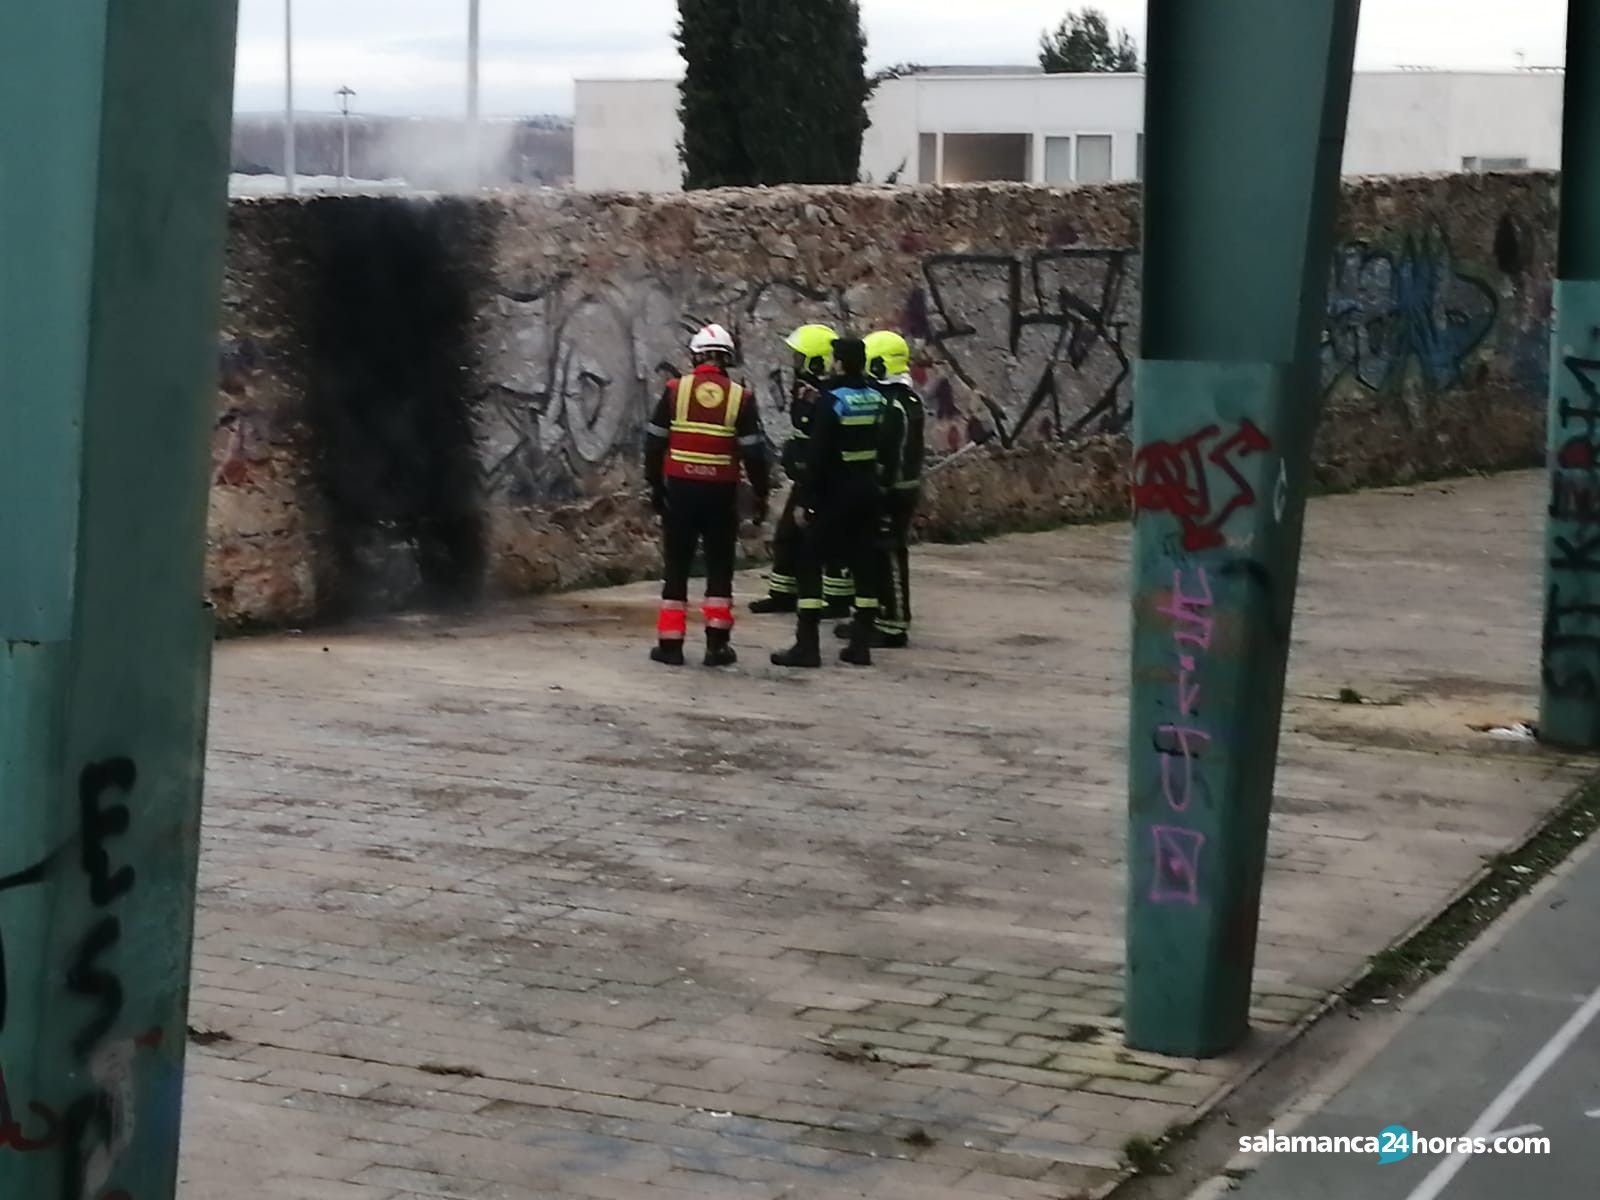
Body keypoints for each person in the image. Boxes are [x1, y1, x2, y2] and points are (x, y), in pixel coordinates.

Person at [644, 323, 770, 667]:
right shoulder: (739, 398)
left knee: (677, 566)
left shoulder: (674, 391)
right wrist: (760, 494)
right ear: (727, 359)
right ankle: (717, 646)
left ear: (695, 356)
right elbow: (754, 454)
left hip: (680, 492)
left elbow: (654, 444)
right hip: (720, 494)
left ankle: (670, 646)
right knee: (719, 567)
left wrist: (655, 487)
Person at [771, 337, 889, 669]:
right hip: (867, 492)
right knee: (865, 566)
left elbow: (818, 456)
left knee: (809, 562)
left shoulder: (832, 401)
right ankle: (860, 645)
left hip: (834, 495)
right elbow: (882, 445)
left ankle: (806, 646)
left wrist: (806, 501)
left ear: (839, 362)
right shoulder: (875, 398)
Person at [837, 330, 924, 650]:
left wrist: (882, 486)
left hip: (892, 490)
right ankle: (871, 615)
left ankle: (894, 624)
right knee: (874, 553)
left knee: (888, 553)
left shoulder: (895, 405)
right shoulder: (907, 399)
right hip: (898, 487)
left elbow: (889, 451)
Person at [751, 324, 836, 614]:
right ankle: (783, 593)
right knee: (787, 535)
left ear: (817, 361)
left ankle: (836, 601)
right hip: (804, 475)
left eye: (801, 357)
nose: (795, 363)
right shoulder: (805, 391)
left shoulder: (827, 396)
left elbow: (819, 438)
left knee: (819, 539)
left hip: (820, 479)